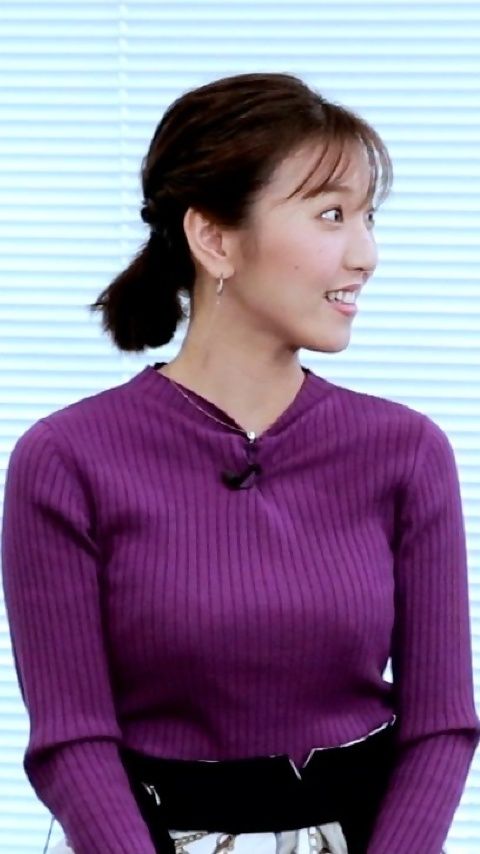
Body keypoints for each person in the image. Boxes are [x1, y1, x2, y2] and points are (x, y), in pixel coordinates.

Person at [1, 72, 479, 854]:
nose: (366, 255)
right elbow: (71, 738)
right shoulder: (65, 461)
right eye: (332, 215)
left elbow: (442, 725)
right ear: (215, 239)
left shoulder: (408, 452)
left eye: (368, 218)